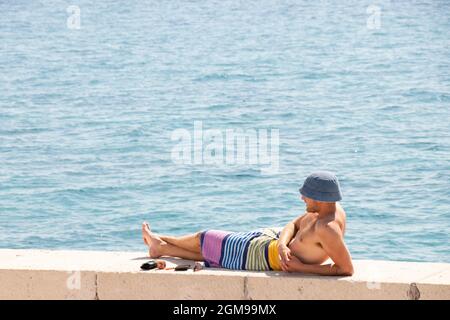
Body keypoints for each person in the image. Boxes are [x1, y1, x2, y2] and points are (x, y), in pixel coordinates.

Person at [142, 171, 354, 276]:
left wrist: (301, 268)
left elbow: (345, 269)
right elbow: (292, 224)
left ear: (319, 197)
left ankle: (161, 240)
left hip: (266, 257)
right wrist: (282, 243)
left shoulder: (328, 229)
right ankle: (160, 247)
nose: (302, 199)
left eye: (306, 195)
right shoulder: (324, 211)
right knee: (216, 252)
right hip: (274, 241)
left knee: (206, 238)